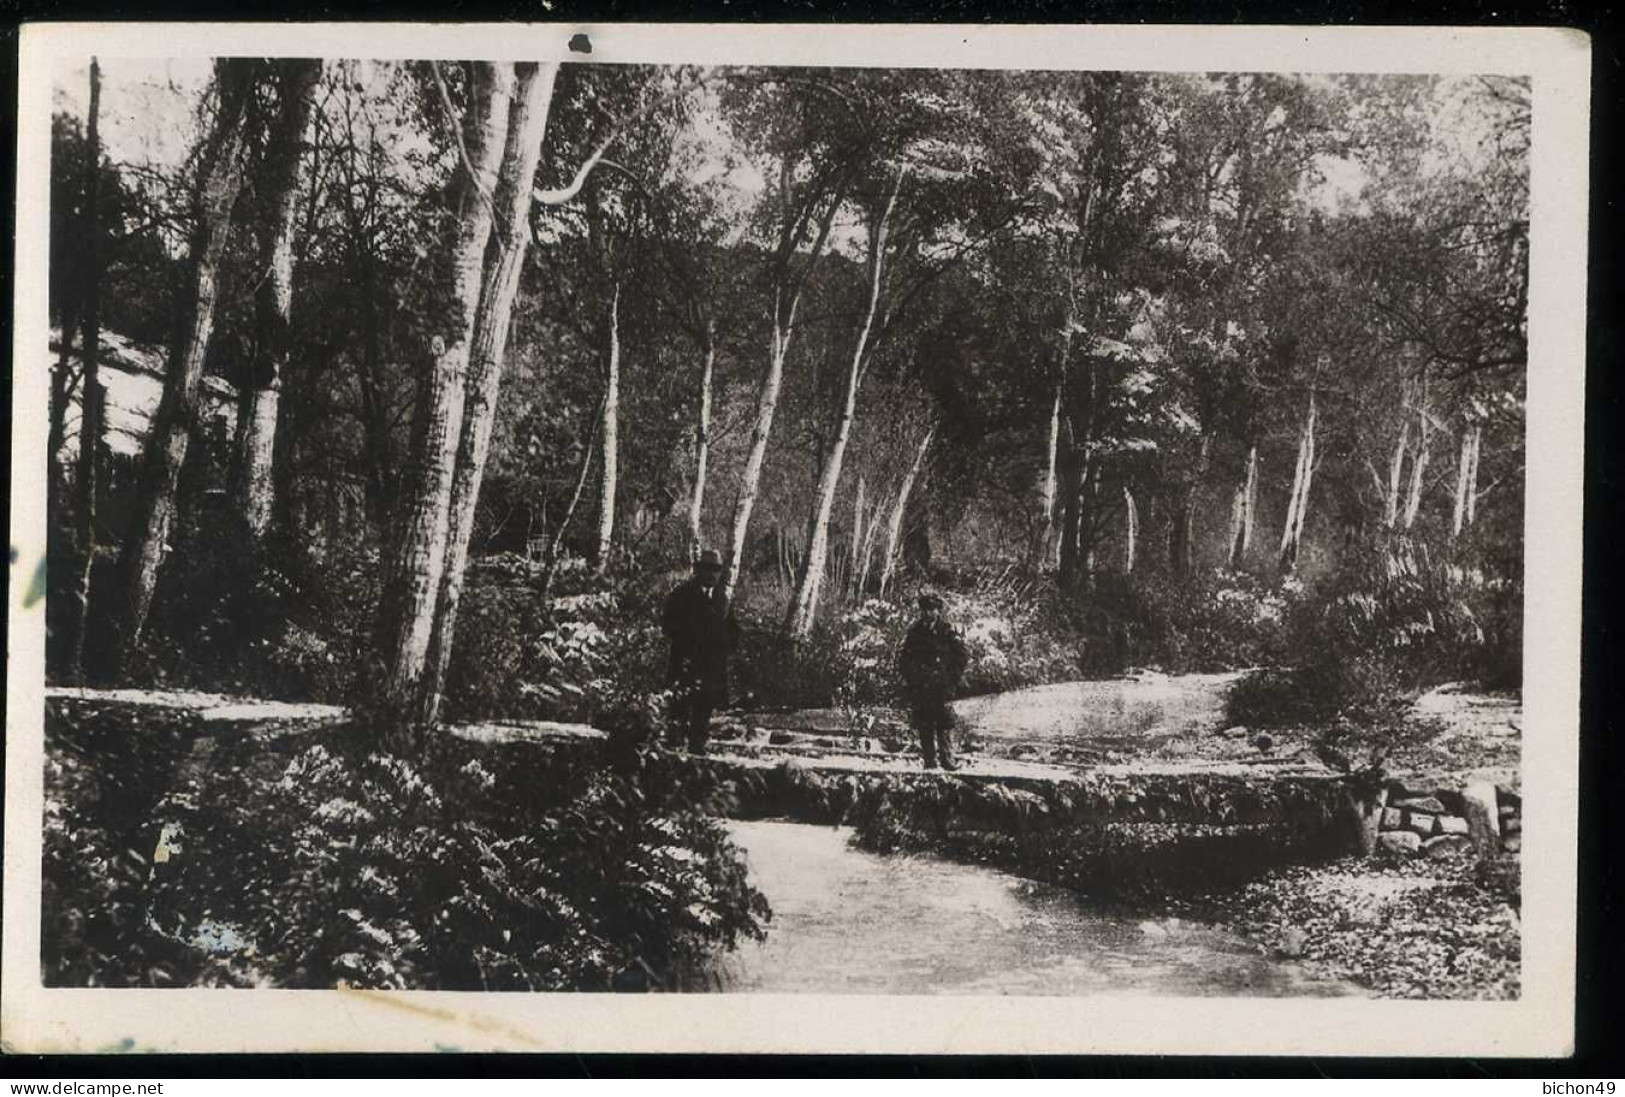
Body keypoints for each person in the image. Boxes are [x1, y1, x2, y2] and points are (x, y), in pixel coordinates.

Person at [661, 548, 737, 754]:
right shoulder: (681, 595)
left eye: (716, 570)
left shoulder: (722, 599)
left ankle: (697, 749)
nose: (712, 575)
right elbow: (668, 625)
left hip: (711, 666)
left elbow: (732, 630)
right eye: (707, 569)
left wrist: (727, 644)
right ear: (698, 571)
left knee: (704, 709)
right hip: (686, 662)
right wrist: (688, 634)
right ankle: (673, 749)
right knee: (679, 708)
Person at [897, 592, 968, 771]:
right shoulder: (915, 632)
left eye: (932, 610)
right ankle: (929, 761)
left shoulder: (946, 630)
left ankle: (947, 760)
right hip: (921, 686)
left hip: (941, 686)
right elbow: (905, 658)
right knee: (924, 723)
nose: (929, 614)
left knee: (945, 722)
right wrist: (912, 678)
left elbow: (961, 656)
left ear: (938, 611)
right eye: (925, 610)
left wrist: (951, 678)